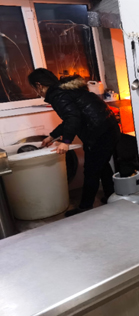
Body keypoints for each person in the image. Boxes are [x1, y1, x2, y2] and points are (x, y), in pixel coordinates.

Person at [28, 69, 120, 216]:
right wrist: (52, 136)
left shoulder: (58, 95)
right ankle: (110, 196)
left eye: (34, 87)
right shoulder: (65, 91)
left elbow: (72, 117)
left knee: (91, 170)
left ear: (39, 85)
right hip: (108, 128)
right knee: (101, 165)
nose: (36, 91)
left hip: (99, 133)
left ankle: (85, 207)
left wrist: (66, 142)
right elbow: (72, 117)